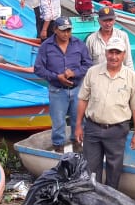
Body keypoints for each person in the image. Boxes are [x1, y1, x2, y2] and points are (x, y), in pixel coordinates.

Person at [74, 34, 135, 189]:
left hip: (117, 130)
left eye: (118, 53)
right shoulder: (92, 72)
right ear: (106, 53)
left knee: (114, 168)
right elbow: (83, 99)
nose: (114, 57)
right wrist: (78, 125)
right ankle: (93, 195)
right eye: (111, 52)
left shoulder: (132, 77)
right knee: (90, 167)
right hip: (92, 128)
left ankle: (110, 196)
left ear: (124, 55)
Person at [34, 16, 92, 153]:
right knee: (58, 123)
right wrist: (56, 77)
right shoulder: (46, 46)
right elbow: (38, 69)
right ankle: (58, 150)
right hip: (57, 90)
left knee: (78, 120)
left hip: (77, 90)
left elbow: (88, 64)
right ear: (55, 30)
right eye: (63, 30)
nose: (66, 34)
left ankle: (77, 147)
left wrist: (75, 73)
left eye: (69, 30)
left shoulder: (78, 44)